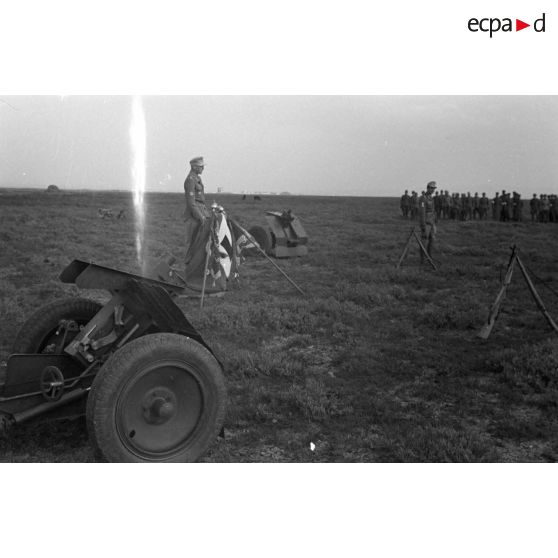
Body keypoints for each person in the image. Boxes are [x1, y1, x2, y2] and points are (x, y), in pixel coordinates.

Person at [183, 156, 210, 264]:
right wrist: (201, 216)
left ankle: (196, 266)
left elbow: (200, 201)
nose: (203, 168)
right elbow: (191, 203)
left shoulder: (197, 179)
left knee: (200, 243)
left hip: (201, 213)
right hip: (194, 216)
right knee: (193, 243)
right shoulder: (190, 180)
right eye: (200, 166)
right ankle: (188, 266)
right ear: (194, 167)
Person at [418, 181, 437, 261]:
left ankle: (429, 257)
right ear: (428, 188)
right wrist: (423, 225)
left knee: (432, 240)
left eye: (434, 188)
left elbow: (432, 211)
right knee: (424, 241)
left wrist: (434, 222)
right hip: (426, 223)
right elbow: (422, 212)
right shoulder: (423, 198)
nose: (433, 190)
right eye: (431, 188)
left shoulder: (431, 198)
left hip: (431, 222)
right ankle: (423, 259)